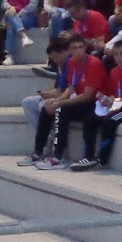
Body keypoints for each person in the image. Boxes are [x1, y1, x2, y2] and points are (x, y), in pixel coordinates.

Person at [73, 38, 122, 171]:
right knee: (90, 118)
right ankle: (88, 156)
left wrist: (119, 101)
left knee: (109, 120)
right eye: (116, 54)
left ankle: (102, 159)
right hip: (119, 105)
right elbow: (114, 95)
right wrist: (106, 100)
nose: (119, 57)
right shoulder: (114, 72)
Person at [30, 37, 104, 170]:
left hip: (95, 103)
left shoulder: (94, 63)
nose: (79, 51)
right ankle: (38, 152)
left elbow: (88, 96)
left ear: (85, 48)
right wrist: (57, 100)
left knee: (61, 110)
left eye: (81, 47)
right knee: (47, 108)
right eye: (75, 48)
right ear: (69, 50)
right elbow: (71, 88)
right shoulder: (71, 62)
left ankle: (58, 157)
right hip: (79, 101)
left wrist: (61, 103)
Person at [17, 37, 75, 167]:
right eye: (53, 58)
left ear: (64, 52)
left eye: (56, 57)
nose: (55, 60)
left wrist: (54, 97)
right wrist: (47, 93)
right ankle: (47, 138)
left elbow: (70, 90)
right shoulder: (60, 66)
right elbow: (59, 88)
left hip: (70, 100)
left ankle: (42, 150)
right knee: (27, 103)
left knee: (44, 105)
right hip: (59, 96)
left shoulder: (71, 63)